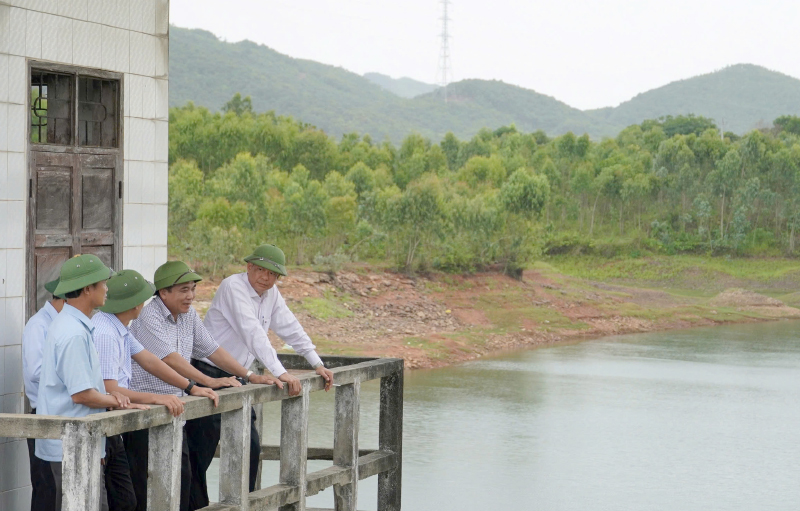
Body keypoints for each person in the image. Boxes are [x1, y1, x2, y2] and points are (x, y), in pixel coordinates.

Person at [127, 261, 281, 511]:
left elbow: (211, 348)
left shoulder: (188, 315)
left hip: (176, 410)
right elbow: (169, 358)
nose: (190, 296)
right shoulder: (149, 315)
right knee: (147, 486)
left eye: (192, 289)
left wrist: (250, 375)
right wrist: (204, 382)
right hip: (146, 411)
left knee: (184, 482)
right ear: (163, 292)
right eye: (183, 290)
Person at [189, 243, 334, 507]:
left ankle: (241, 505)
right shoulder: (233, 287)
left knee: (250, 449)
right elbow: (252, 332)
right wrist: (281, 372)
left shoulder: (272, 294)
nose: (266, 279)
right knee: (198, 454)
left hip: (240, 379)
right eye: (261, 271)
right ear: (249, 267)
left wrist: (316, 362)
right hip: (207, 374)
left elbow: (290, 327)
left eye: (273, 275)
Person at [93, 270, 222, 511]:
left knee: (134, 496)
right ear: (134, 304)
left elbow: (149, 360)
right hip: (104, 420)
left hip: (120, 418)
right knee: (129, 496)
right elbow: (109, 388)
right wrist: (158, 397)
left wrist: (191, 387)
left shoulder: (120, 328)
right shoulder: (105, 332)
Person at [35, 255, 140, 511]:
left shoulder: (74, 325)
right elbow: (82, 395)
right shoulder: (72, 332)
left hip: (76, 443)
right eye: (102, 284)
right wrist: (118, 400)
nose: (106, 289)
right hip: (71, 445)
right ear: (87, 289)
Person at [22, 278, 64, 511]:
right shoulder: (39, 324)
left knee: (64, 490)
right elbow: (36, 371)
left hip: (66, 413)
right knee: (49, 489)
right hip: (45, 413)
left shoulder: (65, 324)